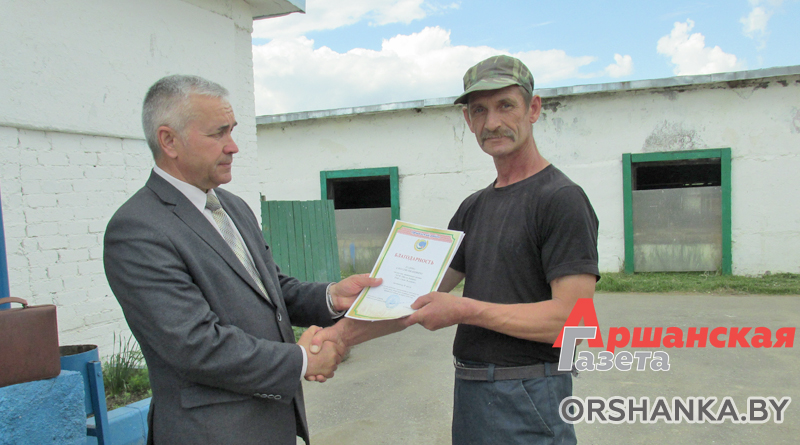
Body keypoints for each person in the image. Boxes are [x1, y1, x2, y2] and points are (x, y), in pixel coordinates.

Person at [314, 55, 599, 444]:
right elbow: (411, 299)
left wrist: (465, 310)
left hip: (530, 394)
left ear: (533, 109)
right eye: (479, 110)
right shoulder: (473, 207)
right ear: (468, 120)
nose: (492, 122)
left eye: (505, 105)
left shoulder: (561, 199)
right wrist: (339, 336)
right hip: (472, 391)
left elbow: (574, 324)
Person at [103, 74, 380, 445]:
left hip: (271, 425)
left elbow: (270, 290)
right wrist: (301, 360)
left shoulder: (231, 207)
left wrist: (331, 296)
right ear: (169, 140)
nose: (233, 147)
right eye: (218, 134)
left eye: (231, 131)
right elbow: (195, 345)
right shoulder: (138, 229)